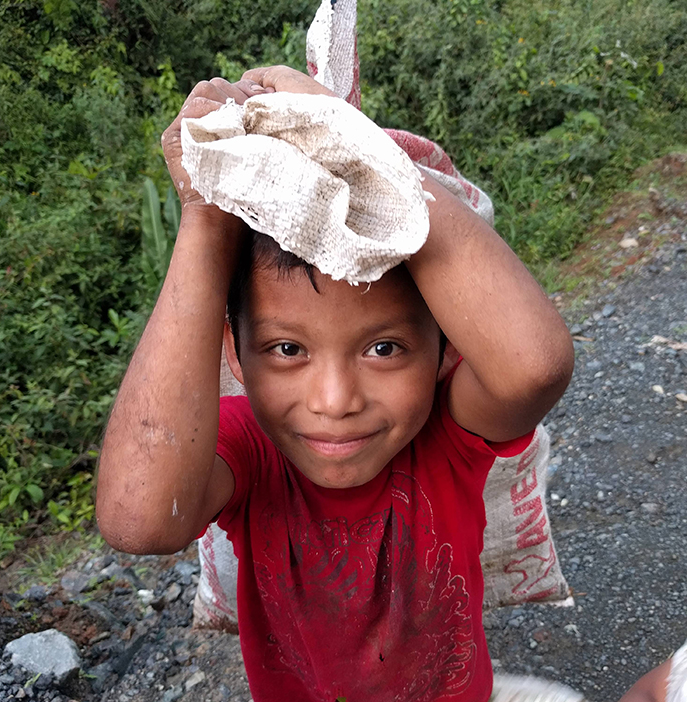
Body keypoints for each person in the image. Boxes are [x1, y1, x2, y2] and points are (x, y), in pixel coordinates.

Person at [96, 66, 575, 702]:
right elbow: (139, 520)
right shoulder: (251, 448)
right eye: (286, 349)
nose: (334, 401)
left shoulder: (449, 433)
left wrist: (352, 143)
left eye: (384, 348)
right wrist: (206, 221)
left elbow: (534, 364)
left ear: (447, 350)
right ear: (234, 354)